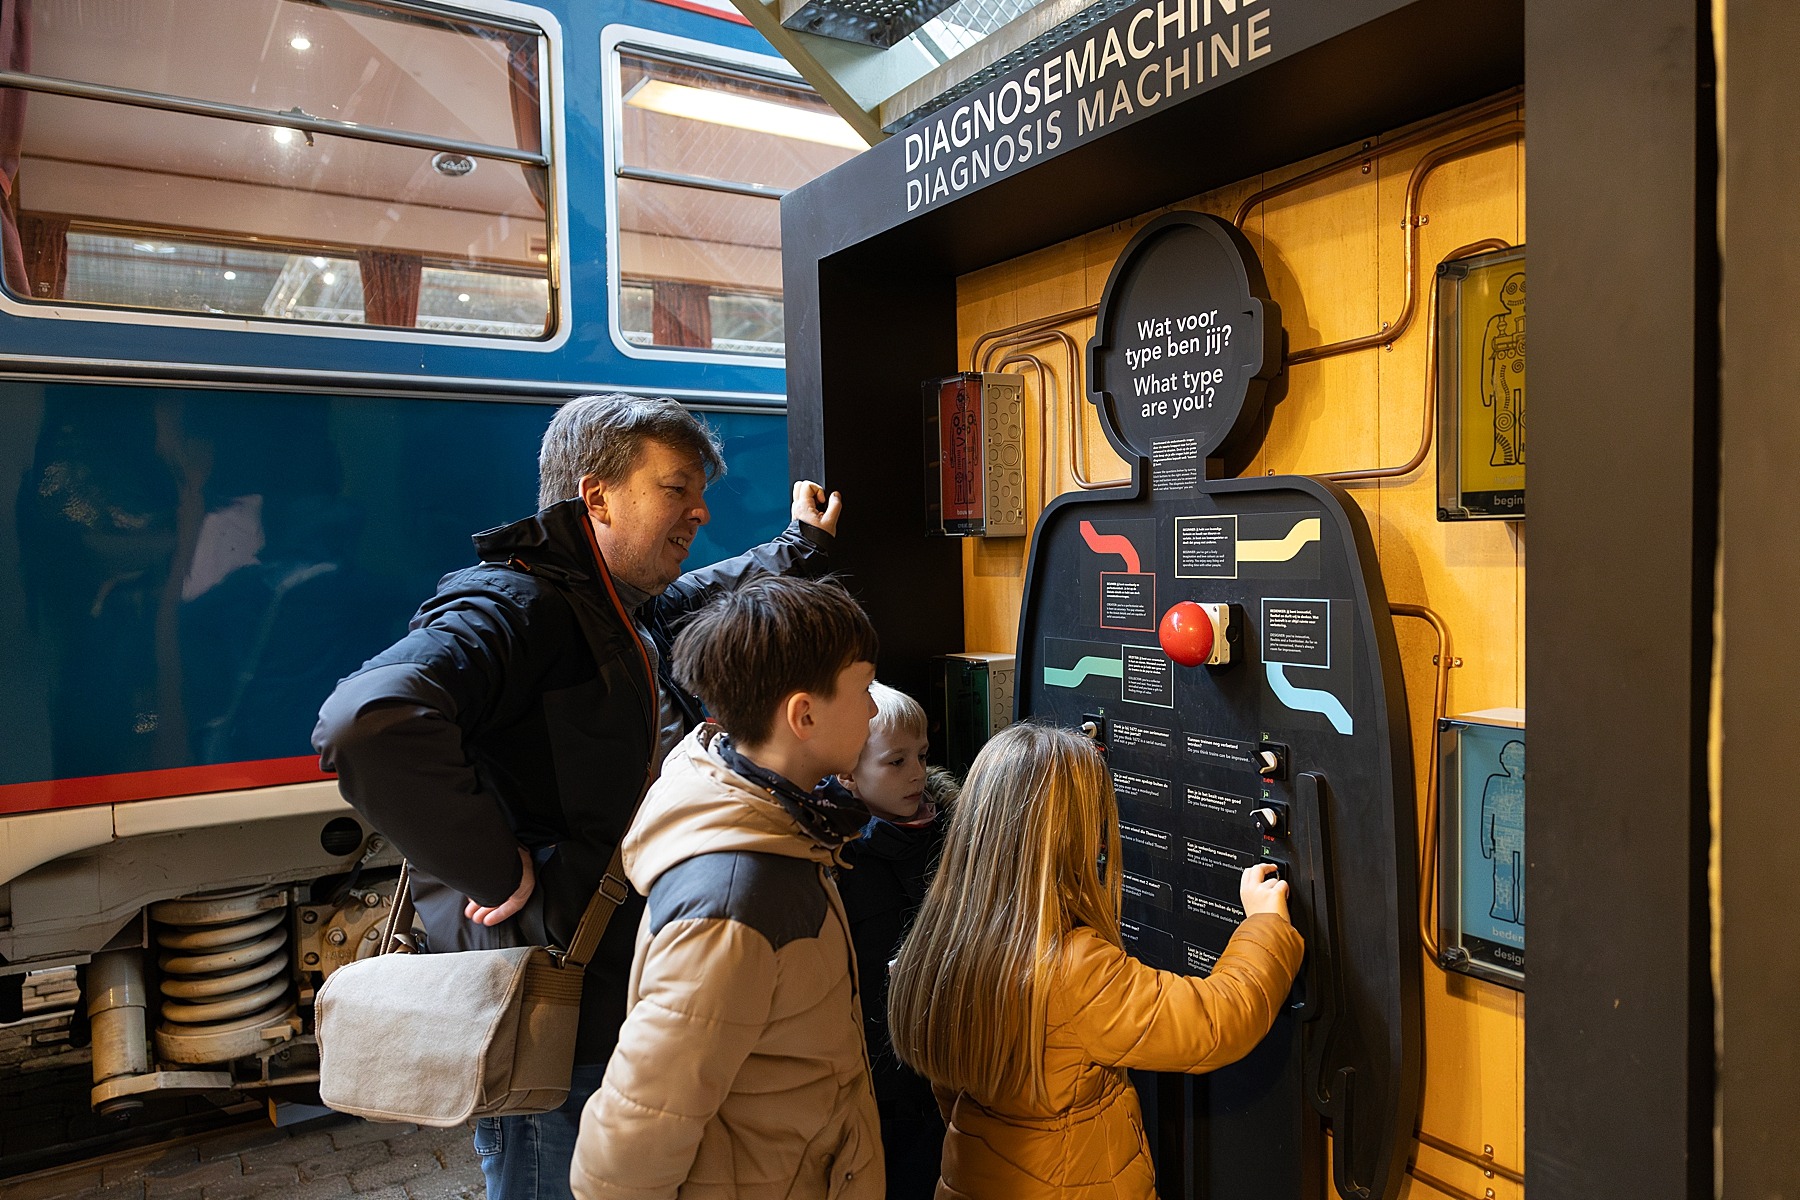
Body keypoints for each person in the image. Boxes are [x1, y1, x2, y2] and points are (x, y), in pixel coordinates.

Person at [311, 394, 843, 1200]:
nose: (700, 509)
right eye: (676, 488)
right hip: (553, 1004)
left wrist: (795, 549)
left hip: (597, 986)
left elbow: (697, 595)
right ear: (596, 496)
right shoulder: (517, 604)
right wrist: (495, 871)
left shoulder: (608, 602)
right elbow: (367, 721)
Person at [887, 723, 1304, 1199]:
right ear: (1076, 837)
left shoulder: (942, 942)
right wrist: (1266, 924)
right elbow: (1218, 1021)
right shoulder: (1071, 967)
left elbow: (949, 1085)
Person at [571, 575, 884, 1200]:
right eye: (865, 690)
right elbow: (626, 1151)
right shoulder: (735, 904)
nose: (875, 711)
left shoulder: (774, 821)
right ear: (803, 714)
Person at [834, 682, 956, 1198]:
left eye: (922, 756)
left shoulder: (952, 831)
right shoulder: (839, 860)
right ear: (848, 775)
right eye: (895, 761)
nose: (916, 774)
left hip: (947, 1054)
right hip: (877, 1072)